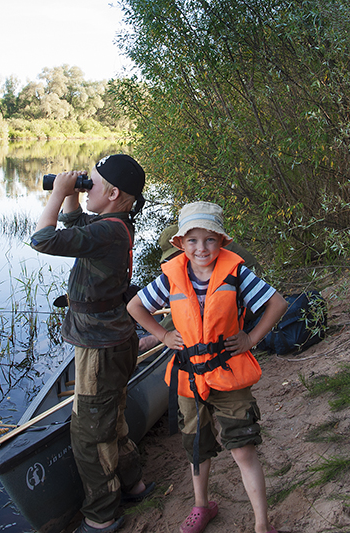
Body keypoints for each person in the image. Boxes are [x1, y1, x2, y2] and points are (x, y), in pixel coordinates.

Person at [127, 201, 287, 533]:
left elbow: (277, 303)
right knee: (197, 448)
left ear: (221, 242)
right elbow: (135, 305)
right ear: (181, 244)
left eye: (210, 240)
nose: (202, 248)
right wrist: (163, 334)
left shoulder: (237, 273)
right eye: (193, 241)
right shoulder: (172, 276)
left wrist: (251, 339)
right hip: (188, 378)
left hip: (228, 375)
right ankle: (202, 506)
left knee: (243, 449)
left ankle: (262, 524)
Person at [30, 154, 153, 533]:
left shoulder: (110, 231)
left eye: (91, 184)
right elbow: (75, 224)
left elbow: (43, 239)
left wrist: (57, 193)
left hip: (100, 348)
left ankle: (101, 517)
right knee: (111, 421)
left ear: (113, 193)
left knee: (89, 435)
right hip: (111, 340)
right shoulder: (114, 225)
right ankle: (134, 484)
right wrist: (71, 198)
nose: (86, 188)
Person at [138, 223, 264, 351]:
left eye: (173, 257)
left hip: (252, 305)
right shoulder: (209, 249)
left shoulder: (212, 258)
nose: (173, 262)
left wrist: (158, 336)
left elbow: (196, 305)